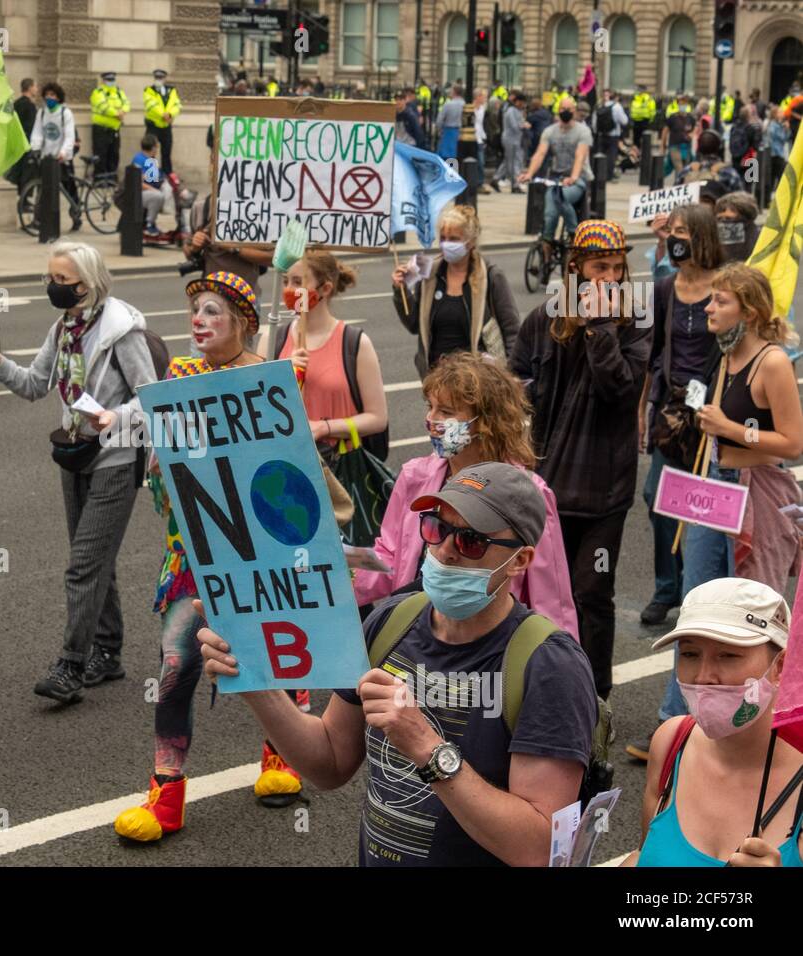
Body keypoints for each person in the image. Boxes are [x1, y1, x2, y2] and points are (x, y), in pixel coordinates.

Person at [198, 462, 598, 866]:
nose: (445, 550)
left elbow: (538, 848)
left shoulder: (550, 666)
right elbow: (331, 762)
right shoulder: (392, 621)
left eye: (471, 541)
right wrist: (253, 681)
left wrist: (426, 747)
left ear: (519, 560)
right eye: (435, 527)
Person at [111, 272, 306, 841]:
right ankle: (165, 796)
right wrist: (156, 456)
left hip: (260, 552)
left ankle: (282, 755)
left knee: (273, 656)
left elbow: (289, 470)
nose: (198, 320)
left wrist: (289, 396)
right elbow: (168, 461)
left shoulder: (271, 378)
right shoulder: (180, 376)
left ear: (244, 322)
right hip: (194, 554)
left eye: (212, 311)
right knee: (177, 667)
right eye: (195, 309)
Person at [0, 242, 158, 703]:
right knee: (96, 560)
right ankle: (107, 654)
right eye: (48, 279)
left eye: (62, 281)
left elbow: (152, 395)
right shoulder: (65, 328)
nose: (52, 287)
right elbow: (35, 385)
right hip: (76, 454)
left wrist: (119, 418)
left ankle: (72, 665)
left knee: (82, 566)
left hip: (115, 456)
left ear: (87, 284)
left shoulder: (120, 332)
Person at [510, 220, 652, 701]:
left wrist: (599, 327)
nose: (609, 277)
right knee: (541, 596)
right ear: (575, 269)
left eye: (616, 267)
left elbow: (620, 389)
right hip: (548, 487)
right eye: (599, 267)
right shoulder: (543, 320)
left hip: (604, 494)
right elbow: (516, 383)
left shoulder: (634, 323)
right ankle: (545, 688)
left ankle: (595, 700)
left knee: (592, 596)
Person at [352, 353, 578, 638]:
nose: (431, 419)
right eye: (430, 407)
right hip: (418, 637)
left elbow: (551, 598)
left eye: (446, 411)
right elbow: (390, 557)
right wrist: (333, 571)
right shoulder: (414, 477)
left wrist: (557, 665)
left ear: (485, 422)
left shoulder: (527, 494)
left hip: (491, 645)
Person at [626, 579, 802, 867]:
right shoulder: (671, 741)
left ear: (780, 666)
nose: (703, 676)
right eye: (690, 654)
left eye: (728, 655)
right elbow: (645, 856)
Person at [688, 263, 803, 596]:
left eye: (721, 301)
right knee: (698, 600)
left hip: (758, 490)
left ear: (749, 313)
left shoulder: (773, 363)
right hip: (714, 485)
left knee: (750, 606)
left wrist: (731, 429)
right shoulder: (725, 354)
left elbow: (793, 444)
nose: (709, 308)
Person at [637, 203, 724, 632]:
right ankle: (667, 587)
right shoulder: (664, 289)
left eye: (683, 230)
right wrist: (643, 410)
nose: (676, 237)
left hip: (716, 412)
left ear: (703, 236)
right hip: (672, 413)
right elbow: (651, 354)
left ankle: (704, 588)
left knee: (712, 509)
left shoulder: (725, 288)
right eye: (672, 230)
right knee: (657, 496)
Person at [275, 252, 388, 463]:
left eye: (297, 282)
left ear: (325, 289)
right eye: (285, 281)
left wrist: (324, 428)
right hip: (290, 464)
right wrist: (280, 375)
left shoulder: (355, 343)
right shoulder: (273, 340)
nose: (289, 289)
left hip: (340, 465)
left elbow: (378, 419)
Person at [390, 205, 520, 379]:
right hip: (437, 381)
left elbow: (512, 331)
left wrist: (512, 377)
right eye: (443, 238)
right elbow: (414, 324)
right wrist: (401, 292)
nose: (446, 244)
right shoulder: (428, 272)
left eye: (454, 239)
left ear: (471, 242)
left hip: (478, 382)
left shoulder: (491, 276)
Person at [518, 96, 593, 256]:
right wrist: (529, 173)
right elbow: (540, 154)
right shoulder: (550, 131)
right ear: (558, 111)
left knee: (562, 197)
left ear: (574, 111)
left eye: (569, 110)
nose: (565, 112)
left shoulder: (583, 131)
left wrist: (573, 177)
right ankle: (547, 244)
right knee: (550, 212)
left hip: (579, 178)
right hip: (557, 178)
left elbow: (580, 156)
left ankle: (574, 234)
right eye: (562, 109)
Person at [28, 83, 84, 232]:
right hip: (47, 157)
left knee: (69, 188)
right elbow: (37, 132)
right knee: (43, 189)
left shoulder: (65, 113)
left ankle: (76, 215)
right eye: (47, 95)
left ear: (58, 97)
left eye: (52, 95)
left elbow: (69, 136)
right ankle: (39, 219)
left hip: (62, 158)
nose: (49, 98)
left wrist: (63, 153)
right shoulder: (41, 113)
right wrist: (35, 148)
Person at [182, 195, 270, 289]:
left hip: (246, 294)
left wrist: (233, 247)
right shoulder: (201, 207)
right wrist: (195, 247)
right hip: (211, 292)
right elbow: (187, 251)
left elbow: (271, 259)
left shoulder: (256, 208)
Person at [131, 133, 174, 238]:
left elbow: (157, 178)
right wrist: (155, 191)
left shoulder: (152, 159)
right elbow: (138, 183)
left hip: (149, 191)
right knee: (157, 196)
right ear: (153, 147)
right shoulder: (138, 159)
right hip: (138, 193)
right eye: (156, 146)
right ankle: (149, 225)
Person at [89, 72, 130, 178]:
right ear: (103, 80)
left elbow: (127, 103)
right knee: (100, 154)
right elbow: (103, 106)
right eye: (108, 80)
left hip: (115, 129)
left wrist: (123, 112)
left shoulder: (119, 92)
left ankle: (111, 179)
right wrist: (117, 114)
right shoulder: (98, 92)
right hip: (101, 129)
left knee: (114, 154)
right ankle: (99, 180)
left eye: (112, 80)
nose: (110, 82)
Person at [143, 69, 180, 174]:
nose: (158, 80)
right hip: (153, 126)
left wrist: (170, 114)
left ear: (164, 79)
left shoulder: (171, 90)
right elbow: (151, 105)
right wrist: (163, 114)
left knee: (166, 153)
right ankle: (152, 177)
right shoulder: (149, 90)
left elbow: (176, 105)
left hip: (166, 127)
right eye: (157, 78)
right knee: (151, 153)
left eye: (160, 78)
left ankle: (167, 177)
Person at [495, 90, 529, 191]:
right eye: (522, 102)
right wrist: (524, 125)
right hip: (511, 139)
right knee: (514, 162)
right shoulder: (511, 111)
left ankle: (495, 178)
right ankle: (515, 184)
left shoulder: (517, 111)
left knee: (507, 161)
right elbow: (515, 126)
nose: (524, 104)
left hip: (515, 139)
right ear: (518, 101)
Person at [715, 192, 761, 264]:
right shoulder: (713, 237)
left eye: (728, 219)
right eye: (720, 218)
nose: (723, 221)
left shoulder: (760, 238)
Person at [9, 78, 38, 186]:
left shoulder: (16, 103)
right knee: (28, 174)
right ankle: (24, 199)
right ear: (30, 88)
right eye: (35, 86)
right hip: (27, 144)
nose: (36, 89)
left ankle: (22, 198)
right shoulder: (30, 106)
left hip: (17, 143)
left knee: (19, 172)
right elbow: (32, 127)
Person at [596, 88, 628, 182]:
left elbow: (595, 122)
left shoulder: (600, 105)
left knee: (600, 155)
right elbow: (624, 121)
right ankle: (609, 176)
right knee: (611, 156)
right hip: (613, 135)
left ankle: (599, 174)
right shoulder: (617, 106)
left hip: (601, 134)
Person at [662, 94, 696, 176]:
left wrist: (691, 135)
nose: (683, 105)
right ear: (678, 104)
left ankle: (680, 184)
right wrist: (663, 145)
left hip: (686, 146)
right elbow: (665, 131)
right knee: (679, 168)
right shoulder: (672, 117)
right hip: (674, 146)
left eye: (684, 103)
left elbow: (694, 129)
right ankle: (678, 184)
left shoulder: (690, 118)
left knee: (686, 169)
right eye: (681, 103)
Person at [728, 107, 761, 187]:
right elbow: (756, 145)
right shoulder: (751, 129)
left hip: (735, 158)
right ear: (748, 116)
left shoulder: (734, 127)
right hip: (748, 159)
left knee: (737, 182)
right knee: (748, 184)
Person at [767, 105, 793, 196]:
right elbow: (781, 137)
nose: (782, 114)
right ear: (775, 114)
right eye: (780, 112)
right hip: (775, 153)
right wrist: (785, 129)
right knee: (779, 176)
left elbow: (786, 138)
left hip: (779, 153)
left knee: (777, 175)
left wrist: (787, 129)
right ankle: (775, 195)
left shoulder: (779, 125)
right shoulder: (773, 125)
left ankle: (775, 194)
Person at [436, 83, 464, 160]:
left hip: (448, 132)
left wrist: (440, 131)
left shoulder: (448, 104)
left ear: (454, 92)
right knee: (457, 156)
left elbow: (439, 120)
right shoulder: (464, 104)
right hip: (461, 132)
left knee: (446, 157)